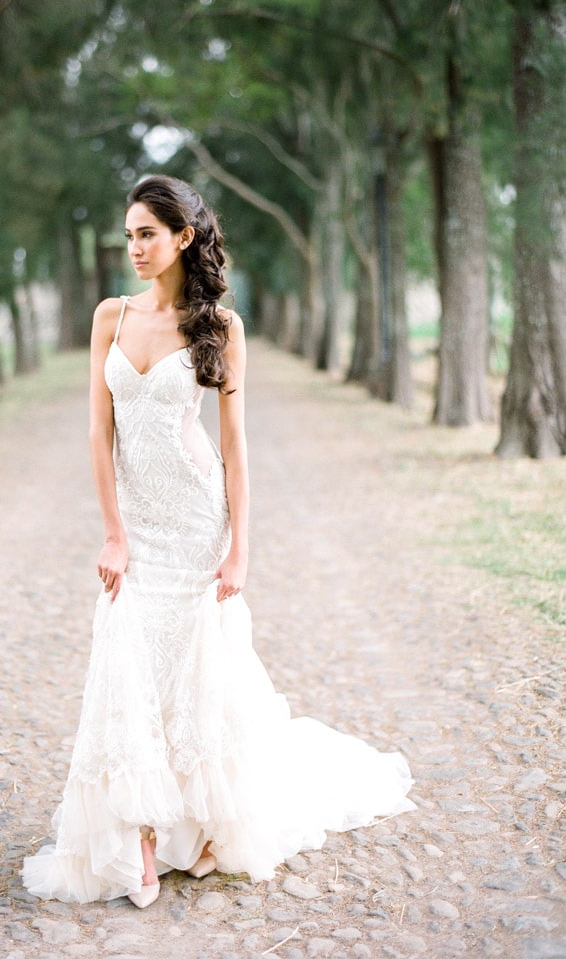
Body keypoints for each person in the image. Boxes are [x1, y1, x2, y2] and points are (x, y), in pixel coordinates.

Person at [21, 175, 415, 910]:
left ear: (184, 238)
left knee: (198, 675)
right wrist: (112, 533)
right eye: (128, 234)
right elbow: (96, 433)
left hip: (199, 523)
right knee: (128, 666)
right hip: (135, 529)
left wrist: (240, 549)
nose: (133, 246)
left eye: (147, 233)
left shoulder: (221, 327)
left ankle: (204, 830)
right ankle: (138, 838)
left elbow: (233, 446)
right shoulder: (111, 315)